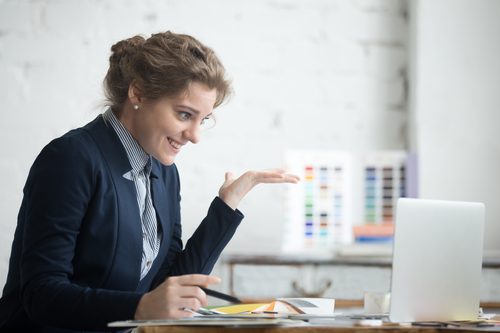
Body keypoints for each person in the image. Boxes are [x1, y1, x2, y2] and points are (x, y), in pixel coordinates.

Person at [0, 31, 299, 332]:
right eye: (184, 115)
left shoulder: (165, 173)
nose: (195, 136)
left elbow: (169, 288)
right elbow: (41, 295)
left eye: (203, 120)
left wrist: (227, 205)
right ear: (138, 93)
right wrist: (140, 307)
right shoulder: (71, 159)